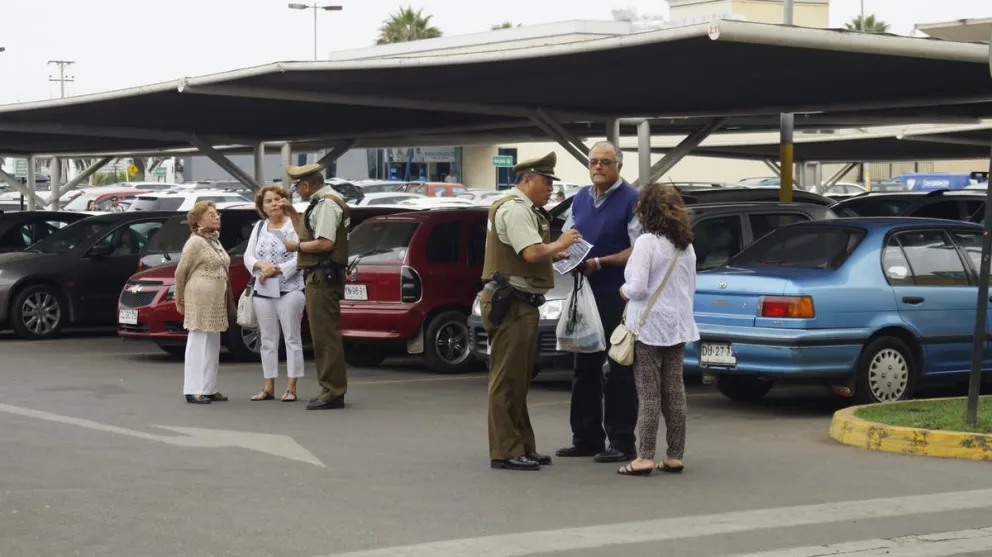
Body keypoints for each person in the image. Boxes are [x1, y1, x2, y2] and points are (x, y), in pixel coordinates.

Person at [481, 152, 582, 471]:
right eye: (546, 181)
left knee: (519, 378)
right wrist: (560, 243)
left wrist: (561, 252)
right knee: (506, 379)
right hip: (512, 303)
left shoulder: (527, 209)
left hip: (521, 301)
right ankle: (505, 450)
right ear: (527, 180)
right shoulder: (515, 209)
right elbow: (531, 252)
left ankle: (522, 444)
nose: (550, 188)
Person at [556, 140, 641, 464]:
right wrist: (563, 254)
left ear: (619, 166)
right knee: (585, 365)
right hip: (584, 292)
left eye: (605, 162)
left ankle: (621, 441)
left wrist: (601, 262)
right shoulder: (580, 197)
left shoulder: (631, 200)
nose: (598, 167)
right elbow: (569, 235)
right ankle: (586, 437)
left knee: (620, 366)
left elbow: (639, 248)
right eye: (593, 162)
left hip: (616, 295)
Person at [616, 183, 698, 476]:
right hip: (677, 326)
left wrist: (622, 292)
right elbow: (690, 289)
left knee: (648, 393)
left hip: (649, 327)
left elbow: (637, 288)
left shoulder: (647, 242)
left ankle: (644, 456)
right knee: (675, 390)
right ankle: (675, 455)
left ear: (646, 210)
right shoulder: (685, 246)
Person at [282, 164, 350, 411]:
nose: (297, 190)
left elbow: (323, 242)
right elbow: (313, 232)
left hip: (323, 275)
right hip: (321, 274)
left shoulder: (326, 205)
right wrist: (293, 215)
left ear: (307, 185)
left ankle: (332, 391)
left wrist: (296, 248)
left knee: (325, 336)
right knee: (323, 334)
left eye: (298, 186)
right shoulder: (325, 203)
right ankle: (331, 389)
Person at [244, 185, 306, 403]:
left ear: (285, 201)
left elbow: (302, 253)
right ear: (262, 207)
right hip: (264, 289)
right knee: (267, 340)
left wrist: (278, 269)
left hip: (290, 289)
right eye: (268, 201)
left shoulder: (294, 224)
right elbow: (248, 256)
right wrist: (263, 267)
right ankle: (268, 386)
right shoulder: (260, 227)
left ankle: (291, 387)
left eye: (277, 199)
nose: (273, 204)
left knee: (292, 338)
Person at [174, 201, 232, 405]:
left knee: (213, 343)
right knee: (198, 341)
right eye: (211, 214)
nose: (216, 217)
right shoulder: (195, 242)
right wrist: (179, 299)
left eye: (217, 214)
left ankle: (208, 387)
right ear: (198, 220)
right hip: (199, 297)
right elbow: (180, 272)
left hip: (215, 299)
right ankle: (192, 388)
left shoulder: (214, 240)